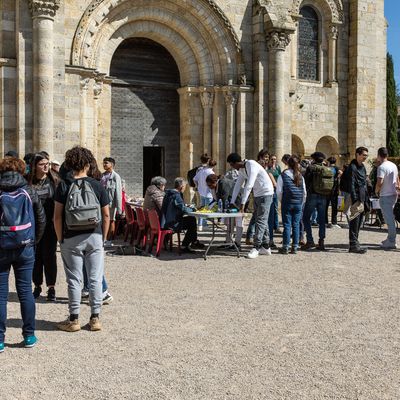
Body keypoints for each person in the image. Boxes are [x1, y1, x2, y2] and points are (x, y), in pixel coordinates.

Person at [54, 146, 110, 332]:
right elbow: (107, 215)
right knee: (94, 278)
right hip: (94, 236)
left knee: (74, 279)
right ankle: (95, 318)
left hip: (71, 237)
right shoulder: (97, 185)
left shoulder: (63, 185)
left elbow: (57, 216)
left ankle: (74, 319)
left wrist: (60, 238)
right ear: (88, 163)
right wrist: (103, 237)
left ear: (69, 164)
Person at [0, 157, 46, 351]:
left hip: (1, 247)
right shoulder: (29, 190)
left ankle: (0, 340)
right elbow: (42, 219)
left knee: (1, 295)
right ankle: (29, 336)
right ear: (21, 170)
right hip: (25, 247)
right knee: (25, 292)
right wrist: (34, 241)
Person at [27, 153, 61, 301]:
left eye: (47, 163)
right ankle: (37, 285)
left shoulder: (54, 181)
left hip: (50, 226)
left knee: (50, 256)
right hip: (33, 225)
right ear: (35, 166)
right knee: (35, 257)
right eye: (42, 164)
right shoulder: (28, 182)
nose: (46, 166)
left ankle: (51, 287)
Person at [228, 153, 274, 259]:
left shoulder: (251, 164)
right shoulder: (241, 170)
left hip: (266, 193)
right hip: (258, 194)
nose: (232, 167)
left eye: (231, 165)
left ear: (235, 163)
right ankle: (266, 247)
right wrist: (232, 201)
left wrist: (242, 204)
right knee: (262, 220)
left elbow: (249, 185)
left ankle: (256, 247)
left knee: (260, 221)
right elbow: (237, 185)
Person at [161, 178, 204, 253]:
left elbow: (178, 206)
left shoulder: (168, 193)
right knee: (192, 221)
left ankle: (194, 241)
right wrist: (194, 209)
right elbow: (184, 210)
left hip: (165, 221)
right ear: (181, 186)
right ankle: (185, 245)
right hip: (173, 223)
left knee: (191, 219)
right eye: (184, 186)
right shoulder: (176, 195)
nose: (185, 188)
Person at [276, 156, 307, 254]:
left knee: (287, 225)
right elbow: (304, 192)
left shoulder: (283, 175)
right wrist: (301, 203)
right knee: (296, 224)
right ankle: (295, 247)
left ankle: (285, 246)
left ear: (288, 164)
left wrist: (282, 201)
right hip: (298, 203)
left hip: (287, 202)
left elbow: (279, 191)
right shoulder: (300, 176)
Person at [302, 152, 332, 251]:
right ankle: (321, 241)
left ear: (314, 159)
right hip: (324, 196)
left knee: (306, 218)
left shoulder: (311, 168)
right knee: (322, 220)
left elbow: (305, 181)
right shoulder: (327, 169)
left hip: (312, 195)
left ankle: (310, 240)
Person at [206, 174, 243, 248]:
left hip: (239, 202)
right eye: (208, 185)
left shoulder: (223, 183)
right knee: (230, 223)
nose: (209, 187)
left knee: (239, 222)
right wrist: (206, 208)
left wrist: (221, 216)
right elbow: (215, 200)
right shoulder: (216, 186)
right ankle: (228, 242)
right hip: (232, 203)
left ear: (215, 182)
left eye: (210, 185)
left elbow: (224, 199)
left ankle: (237, 243)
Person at [346, 146, 369, 253]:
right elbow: (351, 184)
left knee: (359, 222)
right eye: (364, 155)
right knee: (354, 221)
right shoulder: (352, 167)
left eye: (366, 155)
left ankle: (355, 243)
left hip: (362, 197)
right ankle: (353, 245)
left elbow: (364, 182)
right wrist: (355, 199)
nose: (365, 157)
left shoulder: (362, 167)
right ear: (358, 154)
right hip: (356, 198)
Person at [375, 147, 399, 249]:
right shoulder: (393, 165)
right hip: (393, 194)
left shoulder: (381, 167)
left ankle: (392, 241)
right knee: (390, 217)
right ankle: (390, 238)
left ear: (379, 155)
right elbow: (397, 179)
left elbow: (379, 182)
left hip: (385, 195)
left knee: (389, 219)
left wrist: (376, 191)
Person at [101, 157, 122, 242]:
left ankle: (110, 239)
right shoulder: (102, 175)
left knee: (111, 220)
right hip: (101, 202)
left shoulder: (115, 177)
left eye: (106, 163)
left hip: (111, 203)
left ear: (112, 165)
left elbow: (118, 193)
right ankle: (103, 238)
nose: (104, 165)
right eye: (104, 163)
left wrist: (119, 209)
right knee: (103, 220)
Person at [193, 158, 217, 230]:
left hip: (201, 192)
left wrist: (197, 186)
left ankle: (200, 224)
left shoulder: (201, 171)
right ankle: (203, 224)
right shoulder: (211, 173)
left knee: (202, 208)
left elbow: (194, 179)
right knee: (206, 209)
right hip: (209, 193)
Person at [267, 154, 282, 235]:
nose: (273, 160)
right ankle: (270, 226)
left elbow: (280, 176)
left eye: (275, 159)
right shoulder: (267, 169)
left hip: (276, 190)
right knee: (269, 209)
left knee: (275, 208)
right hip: (270, 190)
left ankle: (276, 226)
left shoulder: (277, 168)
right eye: (272, 159)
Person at [325, 156, 341, 229]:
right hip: (334, 190)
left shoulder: (326, 168)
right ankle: (334, 222)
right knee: (334, 207)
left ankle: (325, 222)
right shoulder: (336, 168)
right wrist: (337, 178)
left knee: (325, 206)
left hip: (326, 190)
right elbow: (341, 173)